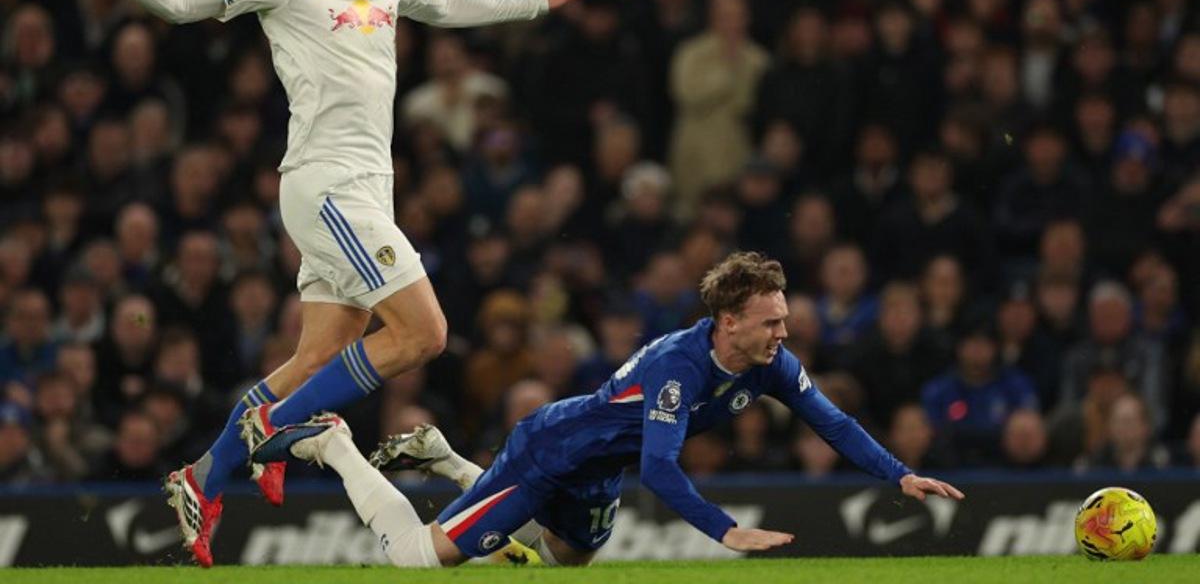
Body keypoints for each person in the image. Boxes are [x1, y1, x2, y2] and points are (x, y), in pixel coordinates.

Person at [71, 0, 600, 567]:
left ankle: (201, 477)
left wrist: (537, 2)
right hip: (327, 187)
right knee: (424, 334)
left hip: (364, 190)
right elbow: (181, 2)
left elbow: (446, 3)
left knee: (318, 355)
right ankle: (273, 429)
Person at [255, 252, 963, 567]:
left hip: (597, 471)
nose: (784, 333)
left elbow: (831, 420)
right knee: (418, 560)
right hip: (549, 455)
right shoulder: (677, 370)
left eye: (783, 320)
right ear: (728, 322)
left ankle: (443, 457)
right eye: (771, 322)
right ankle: (334, 443)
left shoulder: (770, 363)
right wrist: (725, 530)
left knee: (564, 564)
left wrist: (897, 475)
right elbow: (659, 469)